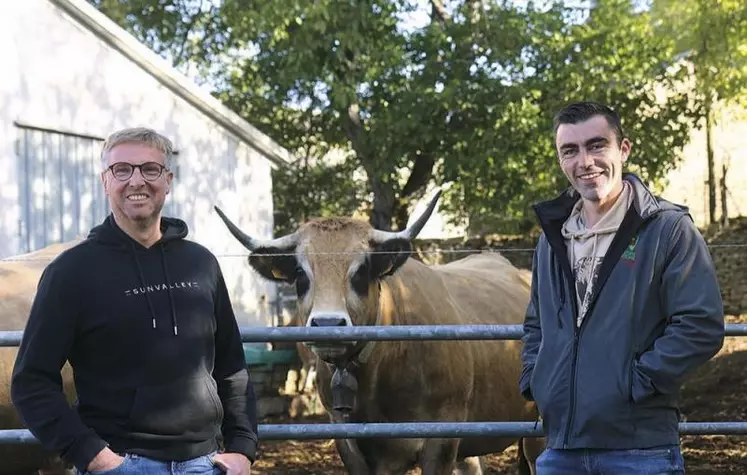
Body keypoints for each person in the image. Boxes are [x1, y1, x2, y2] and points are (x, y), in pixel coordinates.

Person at [11, 127, 257, 474]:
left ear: (167, 180)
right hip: (124, 463)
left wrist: (243, 449)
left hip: (206, 462)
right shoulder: (71, 272)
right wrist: (96, 457)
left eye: (150, 169)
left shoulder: (202, 264)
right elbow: (31, 381)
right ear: (105, 181)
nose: (137, 181)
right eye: (122, 170)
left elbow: (232, 367)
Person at [519, 101, 725, 474]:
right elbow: (536, 324)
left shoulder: (666, 229)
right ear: (560, 159)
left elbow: (700, 324)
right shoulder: (552, 238)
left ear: (623, 149)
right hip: (560, 450)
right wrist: (538, 380)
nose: (585, 162)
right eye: (570, 150)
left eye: (597, 145)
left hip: (639, 449)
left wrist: (635, 383)